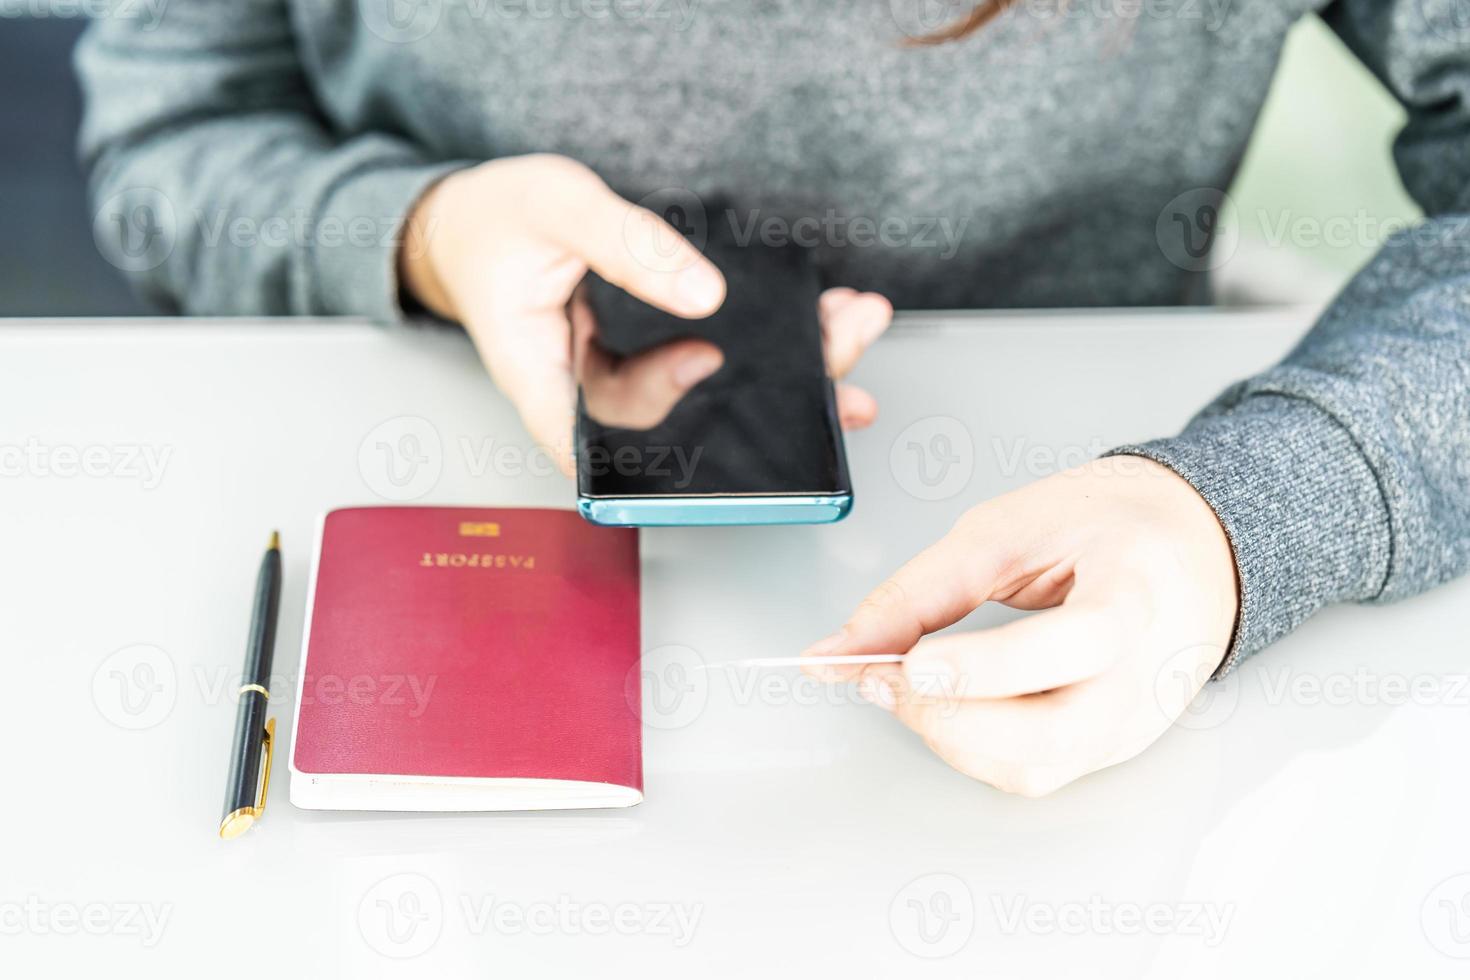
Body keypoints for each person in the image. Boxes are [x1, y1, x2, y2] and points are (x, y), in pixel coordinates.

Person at [78, 0, 1470, 796]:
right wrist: (418, 233)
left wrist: (1244, 518)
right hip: (415, 445)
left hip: (1096, 599)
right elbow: (169, 131)